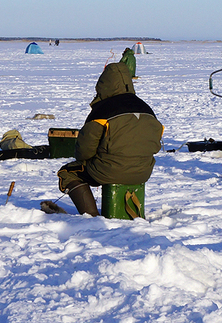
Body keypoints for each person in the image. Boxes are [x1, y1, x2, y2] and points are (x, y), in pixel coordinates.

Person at [56, 63, 164, 216]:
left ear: (103, 85)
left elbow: (84, 152)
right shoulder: (147, 108)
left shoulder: (102, 110)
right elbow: (156, 143)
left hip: (109, 171)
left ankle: (91, 217)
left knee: (67, 173)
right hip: (143, 171)